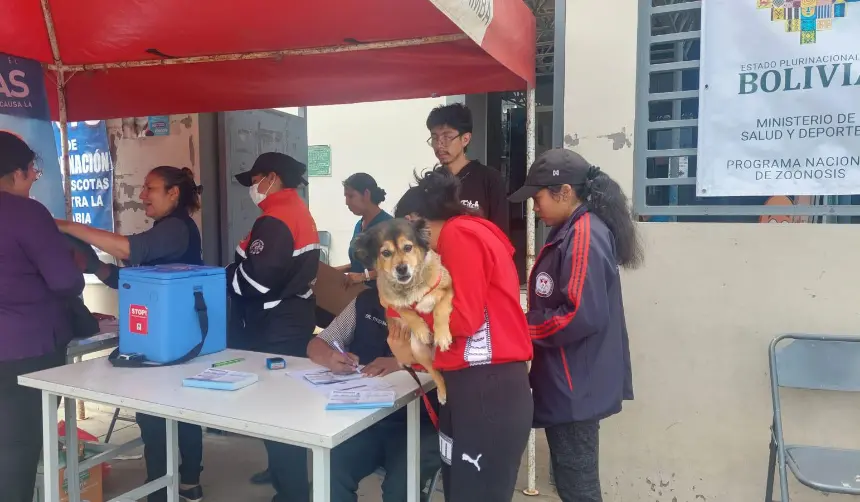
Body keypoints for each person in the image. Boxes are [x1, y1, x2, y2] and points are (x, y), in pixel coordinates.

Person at [57, 165, 206, 502]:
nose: (141, 196)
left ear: (173, 193)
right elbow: (131, 279)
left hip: (171, 339)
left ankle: (167, 486)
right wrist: (94, 266)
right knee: (169, 413)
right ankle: (178, 484)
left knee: (161, 416)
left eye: (149, 188)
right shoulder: (166, 230)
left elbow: (129, 250)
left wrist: (68, 226)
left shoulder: (176, 229)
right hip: (164, 335)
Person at [385, 170, 533, 502]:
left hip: (487, 389)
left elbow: (463, 319)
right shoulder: (463, 234)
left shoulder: (459, 234)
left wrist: (410, 316)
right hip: (471, 386)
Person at [508, 148, 641, 502]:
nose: (534, 208)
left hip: (575, 383)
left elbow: (578, 314)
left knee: (579, 487)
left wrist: (521, 328)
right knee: (570, 481)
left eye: (537, 199)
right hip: (568, 380)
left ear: (565, 192)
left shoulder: (583, 234)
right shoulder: (569, 229)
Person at [227, 152, 320, 502]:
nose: (253, 187)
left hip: (275, 325)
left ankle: (293, 491)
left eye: (255, 180)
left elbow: (256, 281)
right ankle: (282, 471)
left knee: (277, 409)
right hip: (291, 317)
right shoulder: (294, 211)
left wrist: (221, 276)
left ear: (272, 178)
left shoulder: (277, 219)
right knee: (280, 404)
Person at [0, 132, 86, 502]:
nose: (35, 176)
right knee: (19, 443)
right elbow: (66, 281)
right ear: (16, 172)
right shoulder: (27, 212)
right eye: (32, 169)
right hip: (25, 348)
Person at [303, 288, 440, 502]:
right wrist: (331, 357)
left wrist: (402, 361)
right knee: (329, 474)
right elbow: (318, 343)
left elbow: (453, 355)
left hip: (421, 424)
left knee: (401, 488)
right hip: (365, 421)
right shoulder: (365, 301)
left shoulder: (437, 303)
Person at [426, 103, 509, 234]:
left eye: (447, 137)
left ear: (465, 139)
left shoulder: (490, 179)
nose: (439, 144)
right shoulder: (429, 183)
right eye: (435, 137)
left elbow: (500, 233)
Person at [339, 172, 393, 288]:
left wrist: (364, 276)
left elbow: (396, 267)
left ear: (366, 194)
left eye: (351, 196)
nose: (347, 202)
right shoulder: (360, 225)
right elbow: (359, 264)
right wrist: (336, 270)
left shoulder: (389, 227)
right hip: (358, 292)